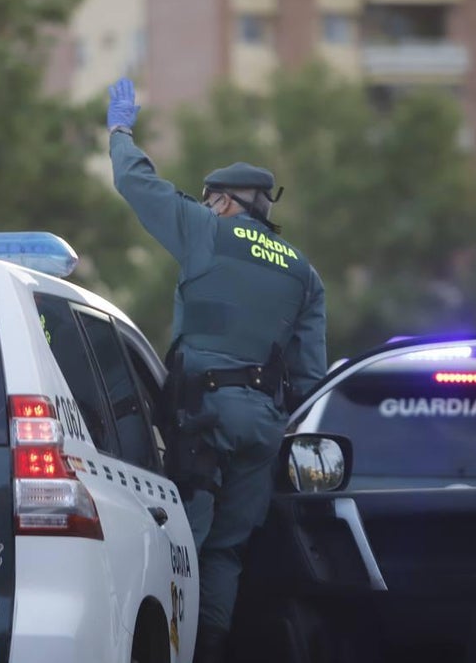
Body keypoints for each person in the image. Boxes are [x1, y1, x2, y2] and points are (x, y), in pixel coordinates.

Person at [106, 77, 327, 663]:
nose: (205, 208)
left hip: (205, 416)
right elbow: (310, 378)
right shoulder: (303, 272)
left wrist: (121, 131)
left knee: (186, 542)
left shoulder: (208, 232)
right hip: (264, 427)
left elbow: (137, 182)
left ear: (226, 202)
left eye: (209, 199)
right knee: (226, 553)